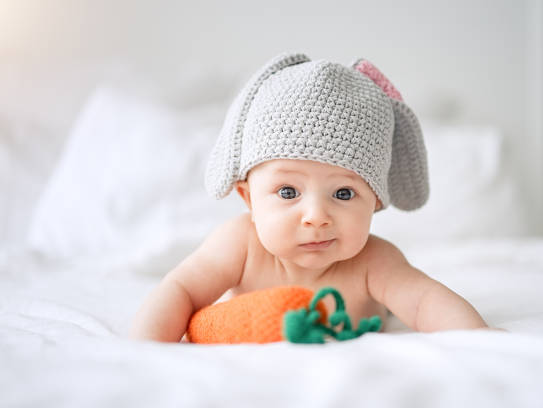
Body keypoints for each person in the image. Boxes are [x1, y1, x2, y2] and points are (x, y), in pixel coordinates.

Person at [129, 52, 489, 342]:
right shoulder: (239, 244)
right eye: (288, 192)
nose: (316, 216)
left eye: (344, 193)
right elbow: (181, 290)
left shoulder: (375, 262)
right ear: (249, 199)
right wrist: (146, 349)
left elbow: (426, 302)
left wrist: (480, 340)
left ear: (376, 201)